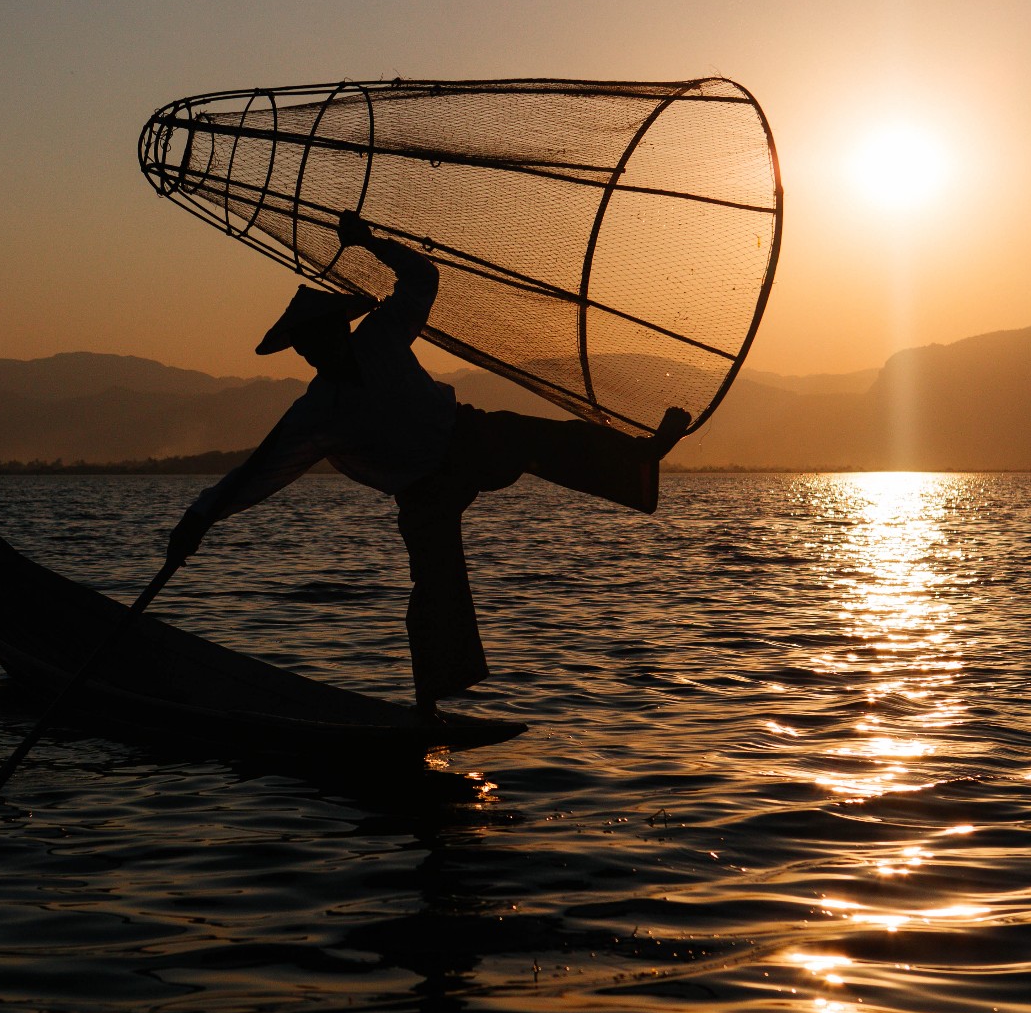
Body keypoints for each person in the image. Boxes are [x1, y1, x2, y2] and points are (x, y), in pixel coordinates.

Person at [166, 211, 690, 716]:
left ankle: (638, 458)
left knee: (547, 439)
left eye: (319, 337)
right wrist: (197, 520)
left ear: (337, 329)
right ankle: (427, 706)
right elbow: (259, 472)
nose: (314, 351)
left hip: (467, 437)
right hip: (423, 489)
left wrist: (369, 241)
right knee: (436, 587)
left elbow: (422, 275)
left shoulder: (380, 336)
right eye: (306, 347)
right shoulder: (317, 411)